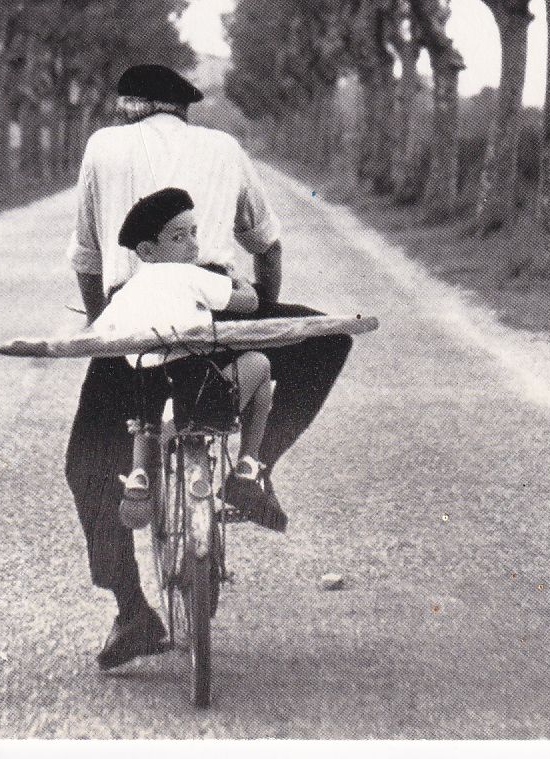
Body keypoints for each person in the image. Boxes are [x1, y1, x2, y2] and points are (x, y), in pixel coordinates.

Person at [65, 63, 353, 671]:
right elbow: (267, 244)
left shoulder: (102, 147)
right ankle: (257, 465)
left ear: (127, 108)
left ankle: (132, 612)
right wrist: (264, 313)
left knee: (88, 463)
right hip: (218, 317)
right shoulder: (224, 147)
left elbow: (89, 262)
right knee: (328, 340)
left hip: (131, 320)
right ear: (183, 110)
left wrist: (108, 330)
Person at [91, 186, 281, 530]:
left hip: (147, 396)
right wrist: (241, 284)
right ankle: (247, 466)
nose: (193, 244)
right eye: (180, 237)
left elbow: (98, 334)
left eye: (194, 233)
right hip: (199, 391)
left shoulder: (128, 290)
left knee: (144, 393)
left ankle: (139, 476)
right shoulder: (191, 275)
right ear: (148, 250)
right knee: (261, 364)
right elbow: (248, 304)